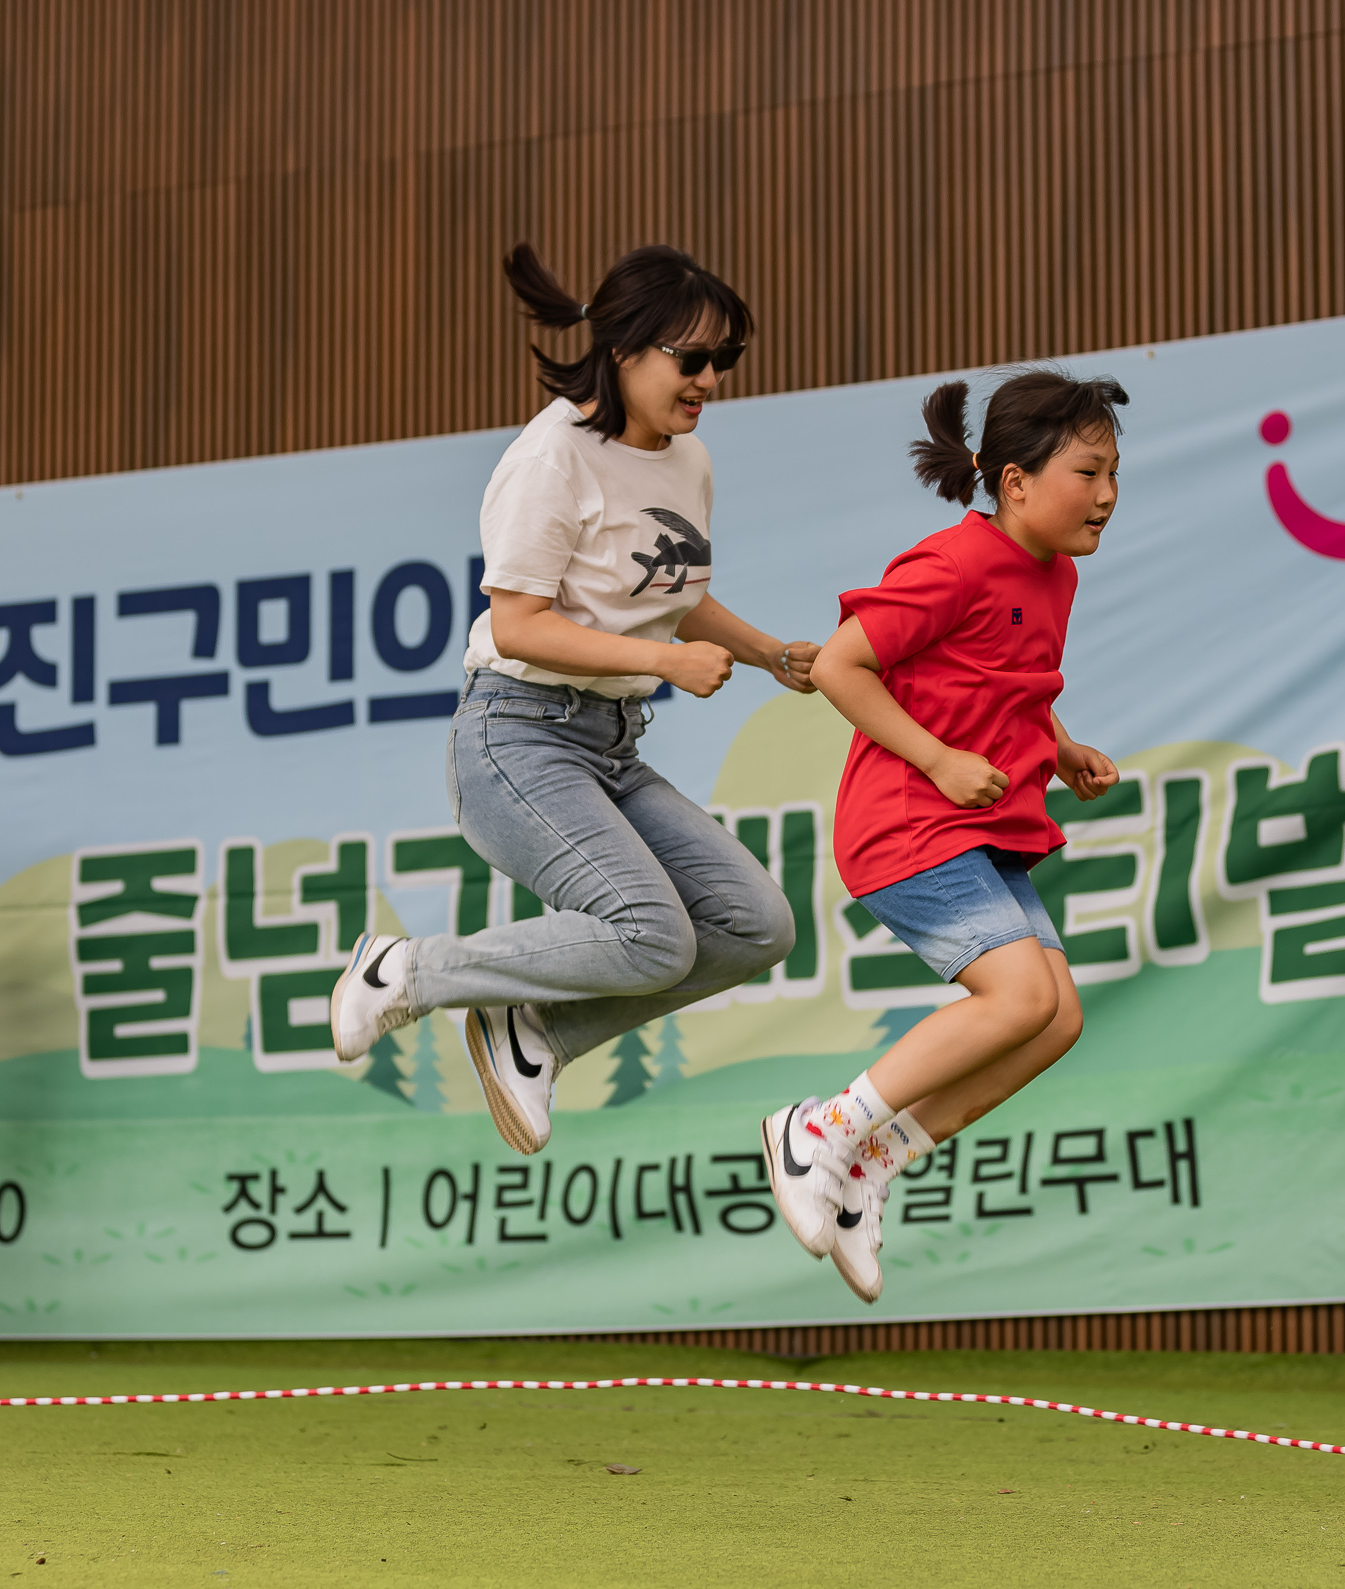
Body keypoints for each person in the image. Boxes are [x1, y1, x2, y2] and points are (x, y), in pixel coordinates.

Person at [331, 243, 819, 1155]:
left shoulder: (688, 461)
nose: (710, 378)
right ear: (626, 348)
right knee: (650, 935)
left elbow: (669, 594)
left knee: (757, 924)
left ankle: (537, 1032)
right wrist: (671, 667)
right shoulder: (549, 457)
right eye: (692, 358)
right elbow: (518, 624)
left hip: (610, 744)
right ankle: (405, 970)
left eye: (726, 361)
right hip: (515, 737)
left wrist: (766, 654)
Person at [762, 369, 1125, 1304]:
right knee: (1014, 998)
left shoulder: (1057, 576)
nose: (1107, 495)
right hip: (910, 822)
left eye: (1114, 472)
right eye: (1088, 472)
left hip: (982, 828)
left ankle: (873, 1160)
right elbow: (843, 665)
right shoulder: (954, 562)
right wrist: (939, 759)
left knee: (1057, 1019)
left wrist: (1063, 744)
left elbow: (1008, 685)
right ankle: (818, 1129)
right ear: (1013, 481)